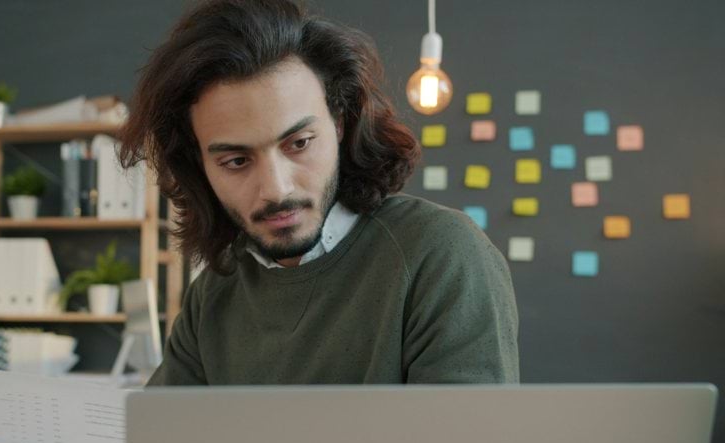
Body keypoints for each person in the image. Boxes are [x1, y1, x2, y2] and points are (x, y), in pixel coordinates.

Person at [119, 0, 519, 385]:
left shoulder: (441, 254)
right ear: (200, 168)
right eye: (237, 161)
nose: (276, 188)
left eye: (299, 143)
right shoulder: (212, 295)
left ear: (340, 123)